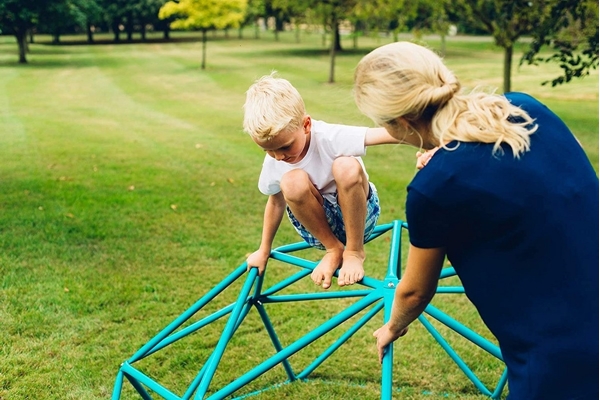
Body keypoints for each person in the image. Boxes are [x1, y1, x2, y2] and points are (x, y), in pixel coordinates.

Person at [353, 42, 599, 400]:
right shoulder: (524, 107)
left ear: (403, 123)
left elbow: (415, 290)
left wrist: (392, 326)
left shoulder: (434, 188)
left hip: (559, 354)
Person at [243, 72, 423, 289]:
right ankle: (333, 249)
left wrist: (431, 144)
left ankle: (354, 251)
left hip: (359, 217)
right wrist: (263, 250)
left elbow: (387, 135)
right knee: (290, 182)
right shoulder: (275, 161)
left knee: (346, 166)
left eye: (285, 147)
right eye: (268, 150)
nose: (279, 156)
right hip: (317, 230)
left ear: (306, 125)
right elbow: (275, 203)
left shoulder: (328, 137)